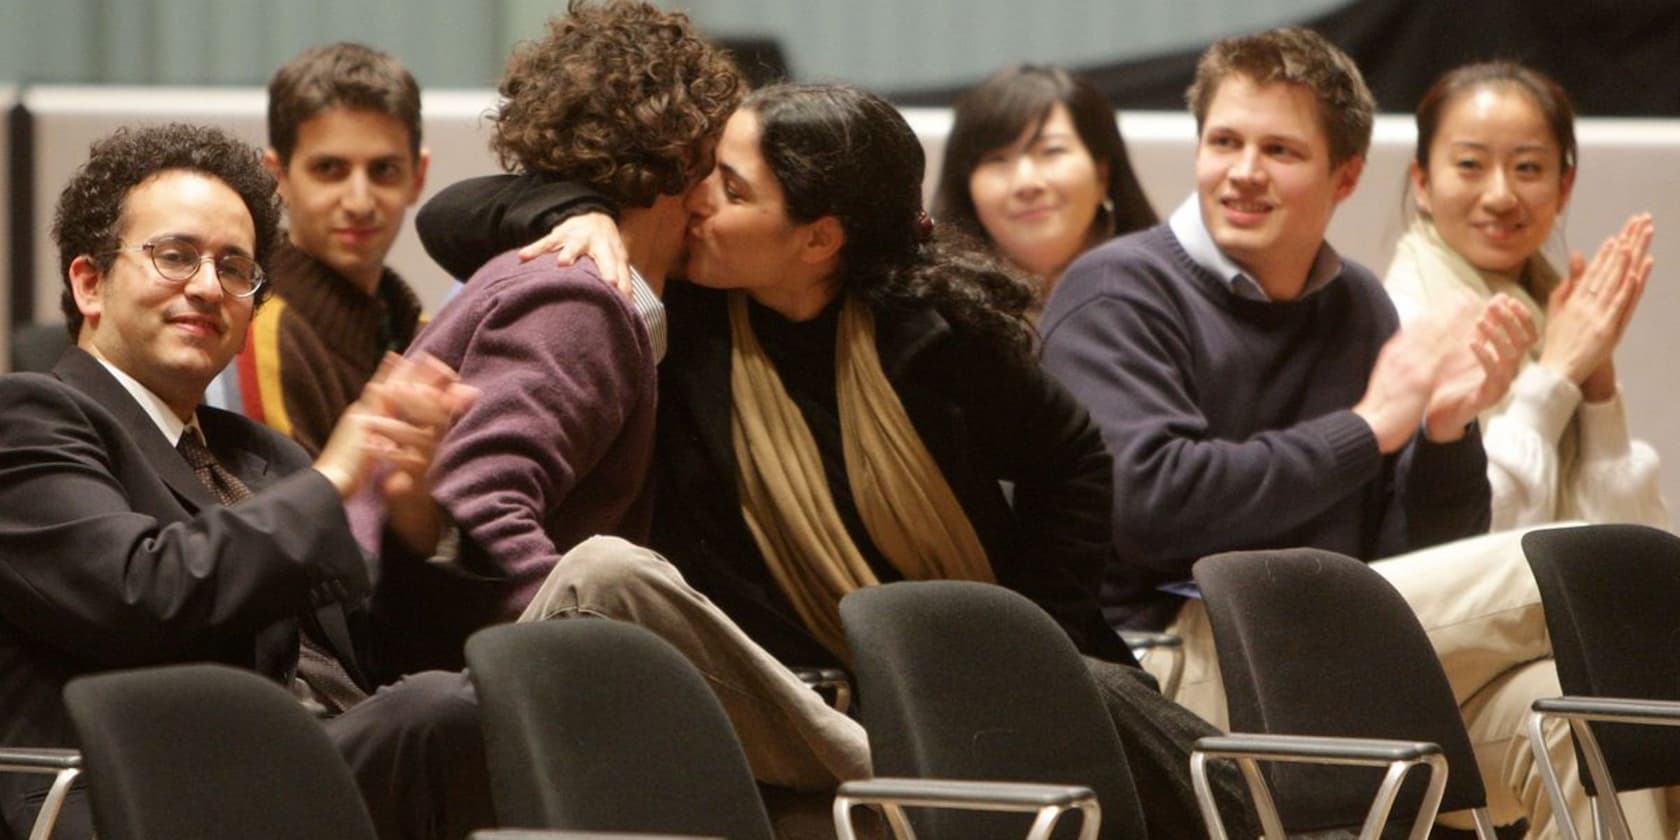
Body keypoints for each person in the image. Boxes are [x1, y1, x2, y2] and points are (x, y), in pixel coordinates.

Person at [418, 81, 1261, 839]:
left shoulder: (931, 325)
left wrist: (1036, 620)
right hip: (791, 703)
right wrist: (573, 210)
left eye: (732, 186)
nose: (695, 200)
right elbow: (450, 216)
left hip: (959, 666)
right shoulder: (692, 318)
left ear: (818, 238)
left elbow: (1072, 459)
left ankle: (1280, 813)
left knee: (1100, 699)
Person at [1033, 27, 1613, 837]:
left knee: (1582, 722)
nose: (1242, 171)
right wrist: (1367, 429)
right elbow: (1153, 507)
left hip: (1331, 654)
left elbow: (1404, 553)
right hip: (1166, 666)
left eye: (1279, 149)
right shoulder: (1118, 289)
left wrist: (1445, 435)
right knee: (1586, 571)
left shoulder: (1361, 305)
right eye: (1224, 141)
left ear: (1345, 176)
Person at [0, 122, 485, 840]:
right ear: (90, 282)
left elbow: (387, 658)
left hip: (307, 768)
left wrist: (418, 519)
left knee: (506, 699)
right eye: (175, 257)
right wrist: (338, 475)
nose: (207, 287)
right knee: (440, 716)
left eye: (234, 269)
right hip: (151, 787)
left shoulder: (262, 455)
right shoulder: (30, 419)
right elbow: (143, 593)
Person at [346, 0, 745, 683]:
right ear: (685, 156)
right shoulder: (577, 300)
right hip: (429, 679)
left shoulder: (588, 280)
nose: (718, 193)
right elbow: (481, 509)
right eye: (721, 166)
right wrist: (616, 676)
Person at [1384, 61, 1667, 532]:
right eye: (1470, 165)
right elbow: (1477, 538)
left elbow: (1630, 547)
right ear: (1423, 183)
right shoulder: (1401, 317)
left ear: (1564, 186)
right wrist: (1554, 376)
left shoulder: (1546, 307)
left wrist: (1595, 388)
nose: (1500, 195)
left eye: (1528, 168)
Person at [207, 43, 430, 455]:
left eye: (384, 170)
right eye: (330, 170)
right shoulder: (251, 333)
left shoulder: (422, 332)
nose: (360, 202)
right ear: (279, 177)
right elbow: (282, 516)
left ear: (417, 177)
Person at [934, 64, 1157, 305]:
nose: (1026, 183)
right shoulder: (935, 307)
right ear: (965, 185)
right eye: (996, 159)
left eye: (1051, 151)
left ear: (1102, 174)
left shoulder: (1163, 288)